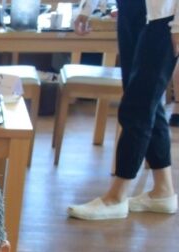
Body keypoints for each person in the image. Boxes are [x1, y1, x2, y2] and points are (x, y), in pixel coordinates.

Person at [67, 0, 179, 219]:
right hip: (130, 10)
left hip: (163, 18)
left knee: (137, 106)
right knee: (147, 101)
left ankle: (117, 197)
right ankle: (163, 191)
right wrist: (86, 9)